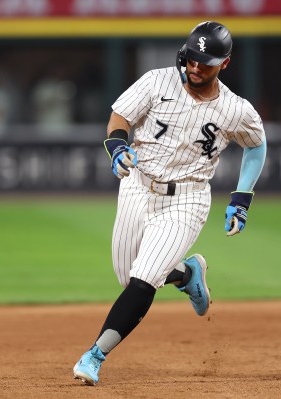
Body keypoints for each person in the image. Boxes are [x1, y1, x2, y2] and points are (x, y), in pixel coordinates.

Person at [72, 21, 267, 386]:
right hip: (137, 186)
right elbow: (121, 117)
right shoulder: (156, 81)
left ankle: (94, 355)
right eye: (191, 58)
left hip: (188, 198)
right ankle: (186, 273)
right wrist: (116, 145)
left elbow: (256, 144)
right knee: (126, 275)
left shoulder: (235, 109)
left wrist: (241, 198)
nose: (195, 67)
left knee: (143, 280)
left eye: (205, 62)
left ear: (225, 64)